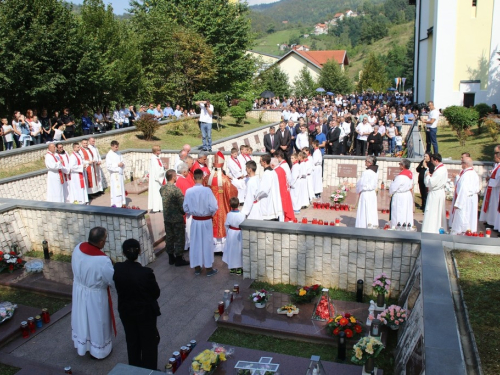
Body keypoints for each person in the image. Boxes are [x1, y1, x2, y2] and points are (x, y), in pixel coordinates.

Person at [113, 239, 160, 370]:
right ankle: (150, 370)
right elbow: (155, 293)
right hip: (145, 313)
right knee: (149, 342)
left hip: (126, 311)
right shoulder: (146, 273)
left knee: (132, 341)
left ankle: (134, 369)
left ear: (123, 253)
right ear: (139, 252)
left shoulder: (118, 269)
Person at [71, 227, 115, 359]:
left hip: (79, 290)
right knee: (97, 321)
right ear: (101, 242)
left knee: (83, 318)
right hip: (95, 296)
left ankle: (84, 344)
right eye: (105, 240)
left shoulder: (78, 248)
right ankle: (99, 350)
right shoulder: (102, 260)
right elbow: (111, 280)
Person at [183, 169, 219, 276]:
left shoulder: (189, 191)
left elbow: (185, 207)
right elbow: (214, 206)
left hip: (195, 221)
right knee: (207, 243)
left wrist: (194, 212)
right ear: (203, 178)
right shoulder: (207, 191)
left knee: (195, 243)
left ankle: (197, 268)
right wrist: (209, 214)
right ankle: (208, 269)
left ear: (193, 178)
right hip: (206, 221)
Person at [203, 152, 238, 252]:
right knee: (221, 224)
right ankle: (221, 248)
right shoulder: (225, 179)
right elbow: (232, 193)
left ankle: (212, 247)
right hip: (221, 209)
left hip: (210, 210)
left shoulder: (206, 178)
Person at [160, 169, 190, 266]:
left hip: (167, 218)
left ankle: (170, 257)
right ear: (173, 177)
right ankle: (179, 258)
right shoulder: (176, 190)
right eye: (175, 176)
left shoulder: (162, 189)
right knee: (179, 238)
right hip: (176, 219)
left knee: (169, 237)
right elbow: (182, 206)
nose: (176, 177)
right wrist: (183, 212)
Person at [449, 157, 480, 234]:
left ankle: (462, 232)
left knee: (463, 216)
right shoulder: (473, 173)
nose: (461, 164)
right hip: (471, 198)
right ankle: (470, 231)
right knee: (470, 217)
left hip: (465, 199)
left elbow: (463, 190)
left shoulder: (466, 175)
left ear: (465, 164)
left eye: (462, 162)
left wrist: (458, 203)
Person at [422, 153, 448, 233]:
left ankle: (431, 229)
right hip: (438, 192)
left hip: (435, 193)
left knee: (433, 211)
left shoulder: (440, 171)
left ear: (436, 160)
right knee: (437, 211)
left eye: (432, 160)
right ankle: (437, 227)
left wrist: (427, 175)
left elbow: (430, 183)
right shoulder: (442, 168)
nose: (431, 162)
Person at [222, 197, 245, 275]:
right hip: (239, 233)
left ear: (230, 205)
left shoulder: (228, 214)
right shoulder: (242, 215)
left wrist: (227, 233)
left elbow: (226, 225)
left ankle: (231, 268)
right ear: (239, 204)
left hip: (231, 233)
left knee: (231, 250)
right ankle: (239, 268)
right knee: (238, 251)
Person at [256, 154, 282, 221]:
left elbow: (264, 190)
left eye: (260, 161)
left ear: (264, 162)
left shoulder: (267, 174)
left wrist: (256, 196)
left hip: (268, 202)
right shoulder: (273, 171)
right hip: (273, 199)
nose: (260, 162)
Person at [389, 159, 414, 228]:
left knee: (399, 212)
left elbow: (393, 188)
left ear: (403, 166)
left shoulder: (400, 177)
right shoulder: (410, 174)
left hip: (400, 196)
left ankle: (397, 226)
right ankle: (407, 225)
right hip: (407, 194)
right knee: (406, 212)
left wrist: (391, 186)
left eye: (400, 164)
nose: (399, 165)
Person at [355, 156, 379, 228]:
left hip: (366, 192)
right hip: (372, 193)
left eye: (366, 161)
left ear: (370, 163)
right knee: (371, 210)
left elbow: (362, 183)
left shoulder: (367, 172)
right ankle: (372, 224)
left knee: (364, 210)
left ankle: (363, 225)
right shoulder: (375, 171)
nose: (365, 162)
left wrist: (359, 190)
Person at [479, 147, 500, 228]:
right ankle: (490, 221)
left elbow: (498, 180)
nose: (494, 155)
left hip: (497, 190)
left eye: (496, 153)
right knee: (491, 206)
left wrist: (490, 179)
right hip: (492, 189)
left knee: (494, 206)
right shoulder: (496, 165)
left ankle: (494, 223)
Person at [274, 149, 295, 222]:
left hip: (284, 187)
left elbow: (288, 177)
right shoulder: (282, 164)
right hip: (284, 187)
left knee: (284, 206)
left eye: (275, 157)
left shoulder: (283, 165)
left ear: (279, 157)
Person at [106, 141, 126, 207]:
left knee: (121, 189)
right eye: (116, 147)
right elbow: (108, 166)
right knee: (116, 190)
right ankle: (116, 204)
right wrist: (117, 165)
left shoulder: (119, 153)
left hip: (120, 174)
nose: (117, 148)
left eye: (117, 147)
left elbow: (122, 161)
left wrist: (122, 164)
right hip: (114, 175)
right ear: (112, 146)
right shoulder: (109, 155)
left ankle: (122, 203)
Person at [148, 145, 166, 213]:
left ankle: (159, 207)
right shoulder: (153, 159)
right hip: (156, 179)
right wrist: (163, 168)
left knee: (159, 193)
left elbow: (159, 167)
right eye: (159, 150)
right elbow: (157, 170)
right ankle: (155, 207)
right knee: (156, 193)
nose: (160, 151)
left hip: (159, 178)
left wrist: (163, 168)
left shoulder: (158, 158)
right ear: (155, 151)